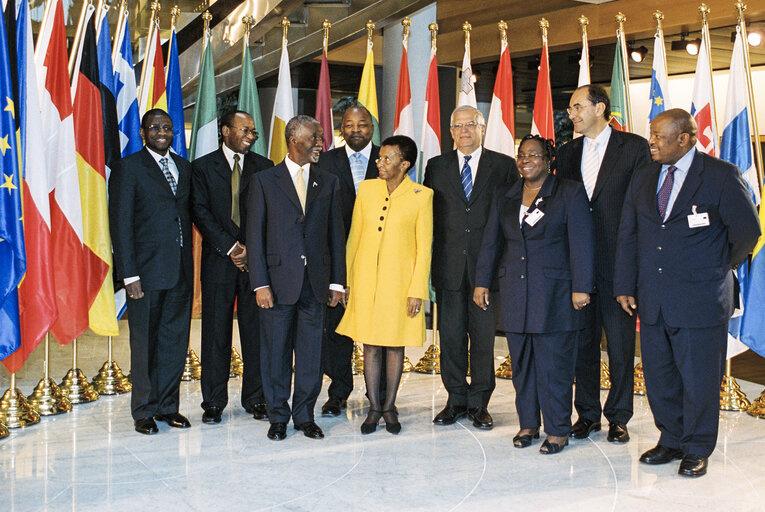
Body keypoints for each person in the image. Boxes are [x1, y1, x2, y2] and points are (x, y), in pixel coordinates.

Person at [613, 109, 760, 477]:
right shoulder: (644, 176)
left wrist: (716, 266)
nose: (651, 142)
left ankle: (697, 446)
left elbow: (747, 231)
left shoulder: (720, 175)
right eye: (651, 134)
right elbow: (629, 234)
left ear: (685, 138)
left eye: (659, 136)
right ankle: (671, 439)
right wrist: (625, 285)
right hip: (653, 297)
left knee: (698, 378)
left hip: (701, 298)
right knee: (660, 375)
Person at [474, 134, 594, 454]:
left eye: (534, 155)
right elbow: (491, 242)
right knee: (522, 364)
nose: (526, 160)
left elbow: (582, 243)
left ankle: (557, 428)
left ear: (549, 160)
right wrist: (481, 282)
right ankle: (528, 423)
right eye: (521, 155)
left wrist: (582, 287)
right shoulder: (506, 194)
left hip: (555, 295)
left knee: (554, 365)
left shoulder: (568, 192)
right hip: (515, 292)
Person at [556, 84, 651, 443]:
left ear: (600, 107)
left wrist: (633, 271)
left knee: (621, 346)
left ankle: (619, 416)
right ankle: (588, 414)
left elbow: (642, 206)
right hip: (578, 267)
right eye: (570, 109)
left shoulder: (634, 147)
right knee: (583, 344)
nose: (573, 115)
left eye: (578, 106)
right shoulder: (567, 153)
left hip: (619, 266)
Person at [246, 115, 346, 441]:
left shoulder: (328, 181)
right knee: (275, 352)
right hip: (275, 283)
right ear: (293, 140)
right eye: (315, 137)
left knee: (310, 355)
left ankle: (304, 415)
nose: (321, 143)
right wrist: (259, 284)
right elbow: (255, 237)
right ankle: (278, 416)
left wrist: (336, 282)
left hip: (315, 285)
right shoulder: (264, 181)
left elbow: (336, 235)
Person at [424, 105, 518, 430]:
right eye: (458, 126)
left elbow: (510, 218)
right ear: (450, 132)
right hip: (448, 268)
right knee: (450, 338)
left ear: (482, 128)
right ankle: (455, 399)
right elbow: (428, 219)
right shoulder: (435, 167)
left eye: (470, 124)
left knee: (482, 339)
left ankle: (479, 403)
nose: (464, 130)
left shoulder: (504, 166)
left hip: (487, 270)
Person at [337, 135, 432, 435]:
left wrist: (417, 290)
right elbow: (354, 237)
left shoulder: (422, 195)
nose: (380, 162)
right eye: (379, 157)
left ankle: (389, 406)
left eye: (387, 158)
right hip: (365, 281)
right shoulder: (366, 189)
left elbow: (423, 247)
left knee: (393, 344)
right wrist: (348, 282)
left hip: (400, 284)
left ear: (405, 164)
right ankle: (373, 408)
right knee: (370, 345)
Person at [109, 109, 194, 435]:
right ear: (143, 133)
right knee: (144, 344)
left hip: (180, 272)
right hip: (144, 275)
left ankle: (167, 407)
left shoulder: (183, 168)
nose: (162, 132)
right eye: (155, 128)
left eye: (168, 128)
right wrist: (129, 274)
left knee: (173, 341)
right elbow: (121, 224)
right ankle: (143, 410)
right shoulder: (128, 168)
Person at [191, 111, 274, 424]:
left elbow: (268, 213)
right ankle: (213, 402)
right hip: (219, 261)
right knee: (215, 333)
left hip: (256, 264)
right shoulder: (201, 168)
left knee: (256, 333)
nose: (251, 136)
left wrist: (251, 248)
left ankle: (256, 398)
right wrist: (231, 247)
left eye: (253, 131)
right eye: (244, 130)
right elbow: (200, 211)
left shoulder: (264, 167)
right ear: (225, 131)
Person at [316, 105, 380, 417]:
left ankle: (379, 392)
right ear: (341, 128)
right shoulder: (326, 161)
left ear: (372, 128)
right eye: (349, 124)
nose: (356, 130)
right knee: (337, 329)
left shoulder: (389, 158)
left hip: (378, 260)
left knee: (376, 329)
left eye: (363, 124)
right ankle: (338, 391)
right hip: (334, 259)